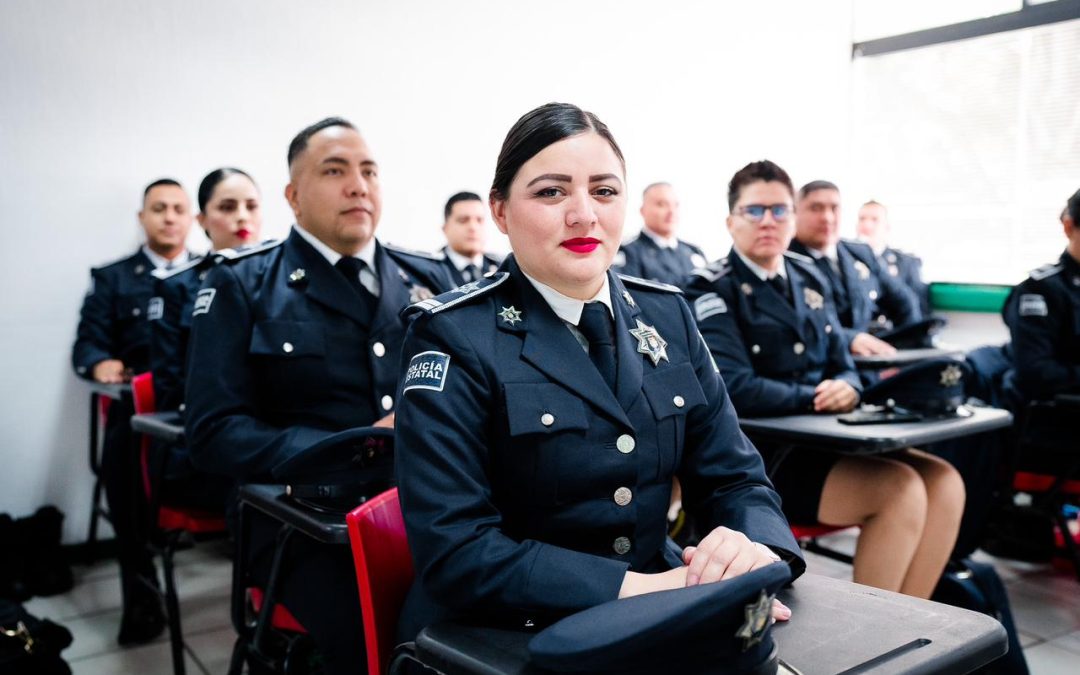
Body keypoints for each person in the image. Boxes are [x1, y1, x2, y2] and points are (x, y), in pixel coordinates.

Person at [395, 103, 803, 642]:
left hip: (668, 601)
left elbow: (735, 477)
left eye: (605, 192)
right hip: (506, 629)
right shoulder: (452, 335)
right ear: (500, 211)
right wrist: (644, 590)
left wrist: (754, 551)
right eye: (551, 192)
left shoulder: (668, 316)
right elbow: (458, 552)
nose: (584, 215)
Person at [184, 117, 453, 674]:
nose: (359, 185)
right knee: (377, 638)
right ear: (293, 196)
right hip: (301, 515)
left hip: (433, 499)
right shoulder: (243, 283)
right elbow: (213, 432)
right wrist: (353, 448)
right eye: (335, 171)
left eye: (369, 171)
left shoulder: (426, 278)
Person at [685, 160, 964, 599]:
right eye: (754, 211)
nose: (769, 222)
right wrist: (816, 396)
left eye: (779, 210)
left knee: (945, 479)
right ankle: (873, 645)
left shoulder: (809, 276)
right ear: (730, 221)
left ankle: (910, 623)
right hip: (764, 455)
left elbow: (843, 359)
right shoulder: (710, 288)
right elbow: (735, 387)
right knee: (900, 488)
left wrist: (849, 386)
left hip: (828, 441)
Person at [71, 178, 194, 645]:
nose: (168, 217)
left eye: (178, 209)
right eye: (158, 208)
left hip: (198, 401)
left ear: (193, 219)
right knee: (122, 456)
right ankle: (142, 600)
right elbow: (88, 342)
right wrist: (99, 361)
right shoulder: (113, 277)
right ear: (142, 218)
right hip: (139, 405)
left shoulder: (214, 272)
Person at [146, 168, 264, 510]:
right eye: (227, 207)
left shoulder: (286, 282)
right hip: (215, 436)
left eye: (251, 206)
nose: (242, 216)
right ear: (202, 220)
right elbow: (171, 385)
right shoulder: (176, 285)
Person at [790, 181, 921, 356]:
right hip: (823, 365)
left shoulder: (859, 253)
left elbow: (904, 302)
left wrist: (906, 351)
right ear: (795, 212)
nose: (827, 217)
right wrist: (849, 339)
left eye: (834, 208)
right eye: (816, 208)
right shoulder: (784, 260)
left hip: (871, 362)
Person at [614, 182, 707, 288]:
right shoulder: (629, 252)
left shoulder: (693, 252)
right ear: (643, 211)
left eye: (675, 205)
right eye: (662, 204)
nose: (671, 211)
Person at [856, 200, 930, 316]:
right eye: (862, 219)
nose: (867, 225)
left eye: (874, 220)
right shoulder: (845, 262)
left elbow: (919, 312)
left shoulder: (907, 263)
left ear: (887, 227)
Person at [439, 191, 502, 286]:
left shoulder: (503, 269)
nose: (473, 227)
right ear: (445, 229)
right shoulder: (428, 272)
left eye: (479, 220)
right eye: (463, 220)